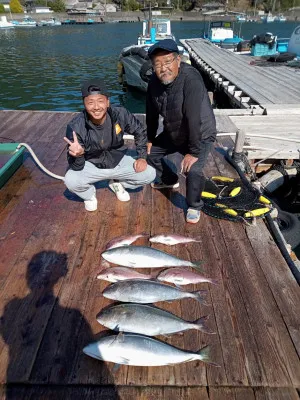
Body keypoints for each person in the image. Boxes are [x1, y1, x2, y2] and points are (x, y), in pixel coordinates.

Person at [146, 39, 217, 224]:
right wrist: (150, 138)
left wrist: (193, 152)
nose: (163, 68)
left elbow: (193, 117)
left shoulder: (191, 78)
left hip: (200, 134)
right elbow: (151, 113)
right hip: (175, 131)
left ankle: (194, 205)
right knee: (150, 154)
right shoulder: (153, 82)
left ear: (178, 60)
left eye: (168, 61)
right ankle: (169, 178)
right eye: (158, 64)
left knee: (193, 170)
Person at [64, 78, 156, 211]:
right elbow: (77, 167)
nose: (96, 107)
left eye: (100, 101)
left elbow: (140, 131)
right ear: (84, 104)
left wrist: (142, 156)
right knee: (70, 180)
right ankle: (89, 195)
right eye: (90, 102)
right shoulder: (75, 127)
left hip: (118, 160)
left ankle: (117, 184)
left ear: (108, 102)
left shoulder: (120, 114)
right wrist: (79, 155)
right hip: (91, 163)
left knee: (149, 174)